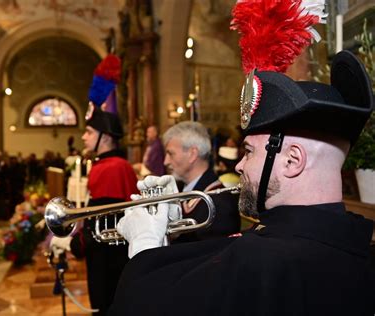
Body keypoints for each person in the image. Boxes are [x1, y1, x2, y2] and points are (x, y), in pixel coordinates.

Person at [107, 1, 375, 312]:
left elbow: (146, 305)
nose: (239, 164)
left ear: (292, 160)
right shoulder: (350, 242)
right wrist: (173, 226)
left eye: (249, 151)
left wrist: (143, 244)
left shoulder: (263, 260)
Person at [50, 54, 138, 316]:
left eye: (89, 132)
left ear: (106, 137)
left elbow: (102, 222)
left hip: (108, 260)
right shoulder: (111, 164)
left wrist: (77, 244)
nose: (84, 137)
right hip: (112, 257)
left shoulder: (110, 168)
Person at [161, 121, 240, 243]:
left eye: (170, 153)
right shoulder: (182, 188)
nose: (165, 162)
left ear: (192, 154)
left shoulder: (220, 204)